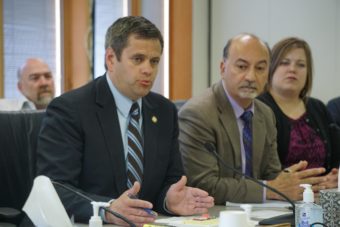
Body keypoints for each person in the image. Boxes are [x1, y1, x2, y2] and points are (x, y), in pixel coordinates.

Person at [36, 16, 214, 226]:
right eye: (138, 59)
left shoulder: (164, 111)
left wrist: (168, 200)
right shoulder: (70, 109)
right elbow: (56, 188)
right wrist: (107, 208)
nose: (148, 69)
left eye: (154, 61)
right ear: (111, 59)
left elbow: (169, 181)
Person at [178, 33, 327, 205]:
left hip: (259, 213)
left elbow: (271, 175)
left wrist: (295, 182)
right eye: (242, 67)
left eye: (260, 68)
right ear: (222, 68)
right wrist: (269, 189)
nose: (250, 77)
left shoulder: (265, 113)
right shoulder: (198, 113)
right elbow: (204, 185)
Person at [257, 37, 338, 189]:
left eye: (300, 65)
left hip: (322, 199)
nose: (292, 69)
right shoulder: (258, 108)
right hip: (276, 201)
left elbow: (336, 156)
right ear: (270, 67)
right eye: (285, 63)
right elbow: (257, 169)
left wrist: (335, 178)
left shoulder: (318, 107)